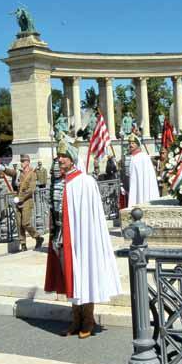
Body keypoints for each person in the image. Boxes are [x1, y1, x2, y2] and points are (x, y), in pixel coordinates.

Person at [44, 139, 122, 339]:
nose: (60, 159)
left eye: (64, 156)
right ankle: (76, 319)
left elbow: (89, 216)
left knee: (83, 275)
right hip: (62, 238)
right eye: (59, 156)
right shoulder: (59, 182)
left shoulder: (85, 181)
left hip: (81, 239)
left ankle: (88, 319)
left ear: (72, 159)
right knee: (70, 277)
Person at [15, 154, 43, 251]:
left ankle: (38, 237)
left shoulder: (32, 174)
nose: (21, 163)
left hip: (27, 201)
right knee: (19, 223)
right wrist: (4, 169)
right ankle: (23, 243)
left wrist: (21, 198)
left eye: (23, 161)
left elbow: (31, 189)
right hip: (18, 201)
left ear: (27, 162)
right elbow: (12, 173)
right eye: (21, 161)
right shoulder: (20, 173)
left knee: (25, 223)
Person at [124, 134, 160, 206]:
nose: (131, 145)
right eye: (129, 143)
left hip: (144, 188)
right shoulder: (132, 158)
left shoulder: (143, 157)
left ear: (137, 144)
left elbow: (148, 176)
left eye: (133, 143)